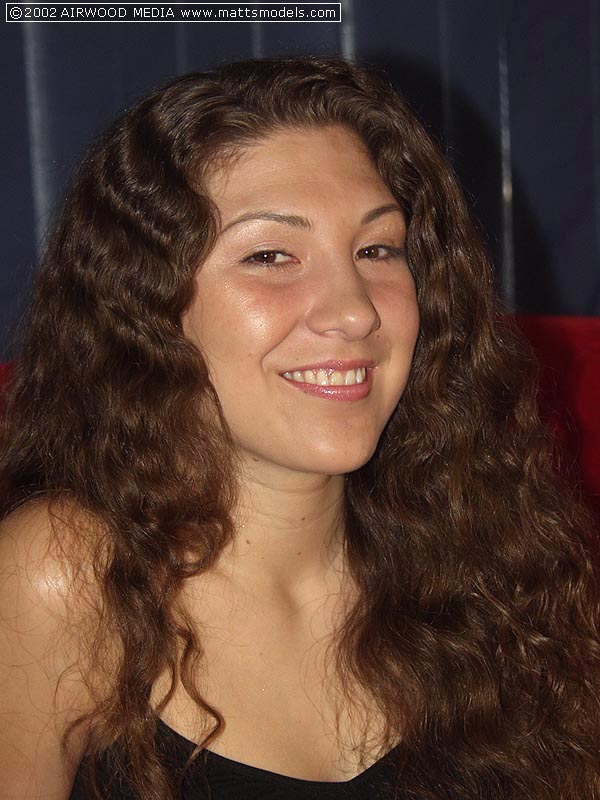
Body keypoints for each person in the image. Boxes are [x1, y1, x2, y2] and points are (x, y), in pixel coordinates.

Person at [0, 56, 599, 800]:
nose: (354, 311)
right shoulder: (64, 576)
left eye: (377, 250)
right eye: (271, 255)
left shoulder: (490, 559)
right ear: (143, 307)